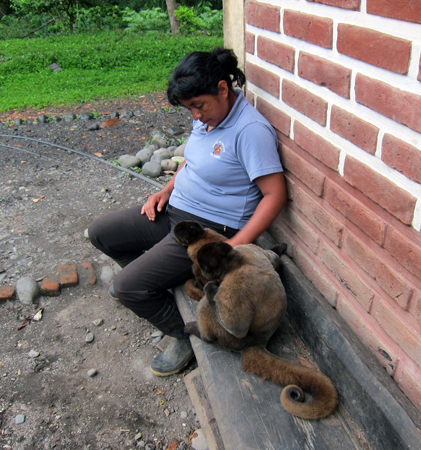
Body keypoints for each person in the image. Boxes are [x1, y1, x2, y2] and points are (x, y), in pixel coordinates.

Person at [88, 48, 287, 377]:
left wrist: (234, 246)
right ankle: (154, 280)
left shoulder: (250, 131)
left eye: (198, 105)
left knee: (128, 288)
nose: (195, 115)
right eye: (189, 108)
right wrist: (165, 190)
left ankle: (186, 334)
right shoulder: (209, 119)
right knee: (101, 232)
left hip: (209, 231)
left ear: (223, 89)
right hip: (175, 211)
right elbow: (191, 161)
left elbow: (275, 195)